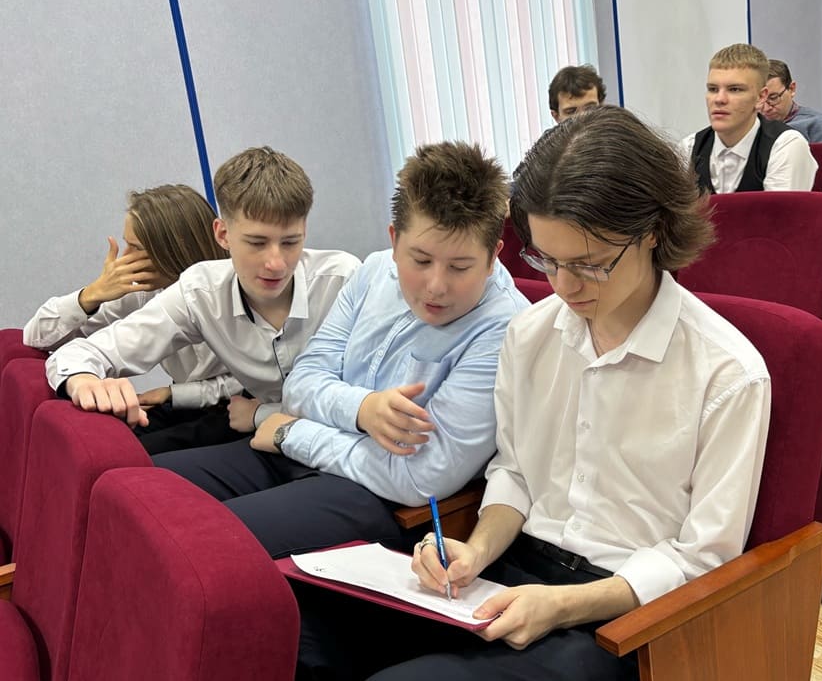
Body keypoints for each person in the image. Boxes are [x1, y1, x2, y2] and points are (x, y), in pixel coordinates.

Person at [291, 105, 771, 681]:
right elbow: (515, 473)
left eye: (590, 265)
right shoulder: (530, 334)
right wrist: (475, 552)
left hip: (626, 617)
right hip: (515, 571)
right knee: (300, 632)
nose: (563, 286)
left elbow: (703, 557)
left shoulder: (727, 372)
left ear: (652, 231)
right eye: (547, 260)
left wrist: (562, 605)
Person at [153, 141, 530, 564]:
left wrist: (290, 433)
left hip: (378, 494)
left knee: (196, 542)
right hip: (311, 452)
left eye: (460, 267)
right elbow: (302, 382)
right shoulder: (374, 271)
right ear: (394, 241)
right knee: (145, 492)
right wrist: (362, 409)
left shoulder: (506, 326)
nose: (436, 286)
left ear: (494, 256)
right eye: (420, 260)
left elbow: (421, 476)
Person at [44, 146, 360, 451]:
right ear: (222, 234)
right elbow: (76, 352)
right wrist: (84, 380)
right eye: (257, 243)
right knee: (127, 466)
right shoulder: (199, 290)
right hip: (268, 434)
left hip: (336, 439)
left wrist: (258, 414)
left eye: (291, 242)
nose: (276, 263)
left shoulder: (345, 279)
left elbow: (370, 396)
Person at [24, 184, 244, 453]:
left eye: (135, 247)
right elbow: (35, 337)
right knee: (93, 447)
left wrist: (177, 394)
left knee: (131, 455)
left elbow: (256, 382)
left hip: (236, 411)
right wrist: (91, 295)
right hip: (184, 403)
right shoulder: (143, 291)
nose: (124, 259)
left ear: (173, 251)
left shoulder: (236, 290)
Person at [680, 43, 817, 193]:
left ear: (761, 97)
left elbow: (779, 209)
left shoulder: (786, 146)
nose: (719, 99)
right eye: (713, 89)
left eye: (734, 89)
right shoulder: (689, 148)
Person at [757, 59, 822, 143]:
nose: (766, 108)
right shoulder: (753, 126)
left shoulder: (817, 122)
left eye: (773, 98)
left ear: (791, 89)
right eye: (759, 99)